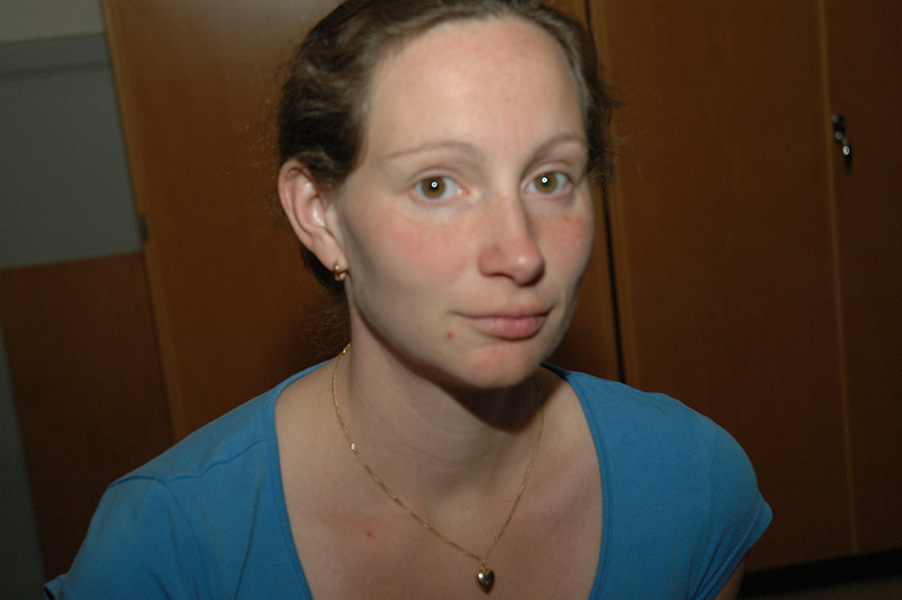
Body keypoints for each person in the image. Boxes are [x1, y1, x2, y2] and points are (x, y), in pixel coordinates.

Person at [45, 0, 771, 598]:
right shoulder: (169, 550)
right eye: (437, 185)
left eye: (549, 180)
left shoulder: (693, 484)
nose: (522, 253)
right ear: (320, 215)